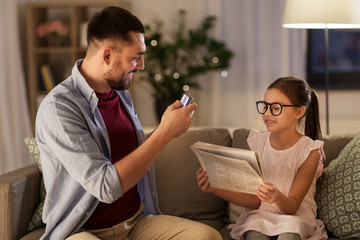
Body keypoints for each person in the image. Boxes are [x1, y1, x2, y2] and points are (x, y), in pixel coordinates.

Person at [36, 6, 222, 240]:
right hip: (82, 230)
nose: (142, 66)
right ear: (107, 55)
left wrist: (167, 127)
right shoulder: (60, 108)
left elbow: (131, 153)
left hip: (135, 223)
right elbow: (106, 187)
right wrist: (163, 133)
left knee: (208, 236)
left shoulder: (120, 92)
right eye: (135, 57)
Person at [196, 77, 328, 240]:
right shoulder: (255, 143)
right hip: (261, 217)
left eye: (275, 108)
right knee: (254, 234)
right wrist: (215, 188)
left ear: (299, 112)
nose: (266, 113)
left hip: (295, 218)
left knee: (289, 235)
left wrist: (277, 197)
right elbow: (253, 201)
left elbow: (292, 206)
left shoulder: (309, 151)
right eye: (265, 106)